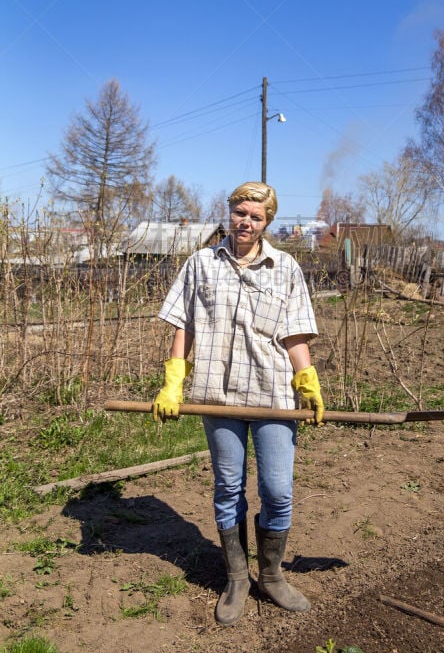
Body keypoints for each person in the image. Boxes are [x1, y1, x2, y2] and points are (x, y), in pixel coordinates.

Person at [153, 181, 324, 626]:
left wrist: (307, 380)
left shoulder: (285, 268)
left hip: (272, 396)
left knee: (278, 490)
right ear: (229, 213)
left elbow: (295, 333)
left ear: (268, 222)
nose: (246, 222)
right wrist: (174, 381)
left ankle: (270, 575)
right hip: (217, 394)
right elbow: (183, 327)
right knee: (229, 488)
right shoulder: (200, 264)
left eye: (256, 216)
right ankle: (236, 577)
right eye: (240, 213)